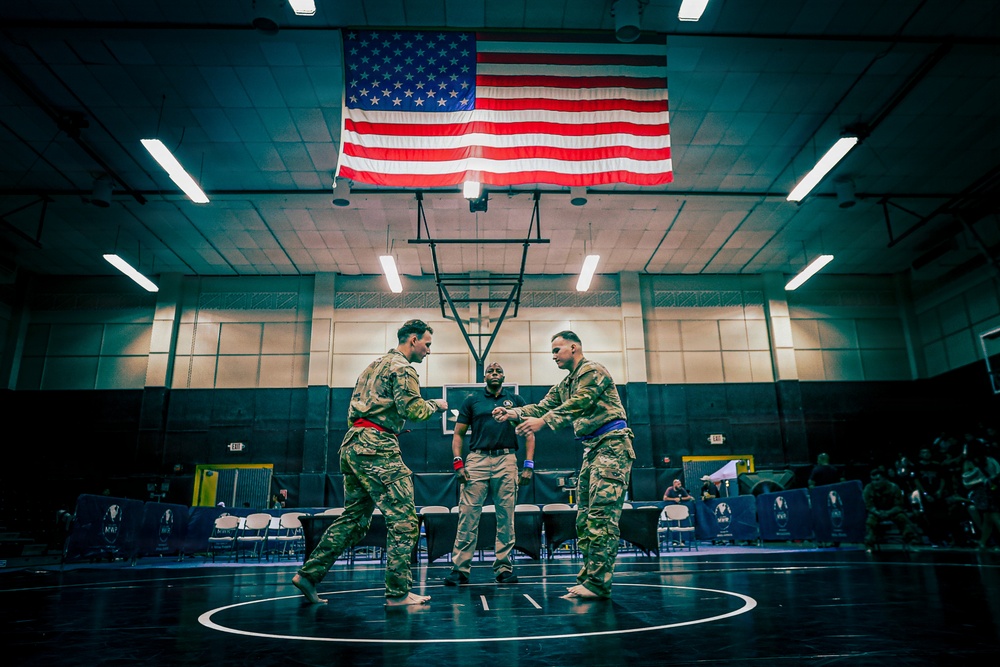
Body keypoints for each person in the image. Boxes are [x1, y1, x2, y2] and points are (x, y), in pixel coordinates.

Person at [292, 319, 447, 607]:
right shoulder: (403, 369)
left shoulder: (372, 366)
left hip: (352, 445)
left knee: (354, 521)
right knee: (404, 520)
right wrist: (437, 405)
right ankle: (398, 593)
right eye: (427, 344)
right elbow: (413, 410)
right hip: (377, 447)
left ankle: (309, 575)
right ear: (412, 340)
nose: (428, 351)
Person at [493, 330, 633, 600]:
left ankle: (598, 583)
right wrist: (513, 412)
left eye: (557, 350)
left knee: (601, 519)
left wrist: (544, 422)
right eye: (552, 351)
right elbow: (543, 405)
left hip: (612, 446)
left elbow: (581, 402)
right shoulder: (567, 382)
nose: (553, 355)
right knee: (585, 520)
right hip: (592, 449)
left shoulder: (592, 371)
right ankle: (590, 579)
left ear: (574, 348)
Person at [443, 362, 535, 586]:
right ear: (484, 377)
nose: (494, 373)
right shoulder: (472, 401)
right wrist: (458, 463)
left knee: (506, 515)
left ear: (504, 377)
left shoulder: (516, 401)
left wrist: (528, 465)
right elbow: (458, 434)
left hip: (507, 460)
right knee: (467, 514)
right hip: (476, 460)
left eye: (499, 371)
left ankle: (503, 567)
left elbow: (529, 433)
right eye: (491, 371)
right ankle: (460, 569)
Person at [862, 466, 919, 550]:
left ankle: (912, 542)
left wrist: (888, 512)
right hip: (877, 512)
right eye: (873, 480)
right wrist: (878, 512)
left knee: (903, 518)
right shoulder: (868, 488)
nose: (875, 482)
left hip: (893, 511)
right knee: (870, 522)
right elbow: (869, 505)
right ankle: (869, 545)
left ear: (884, 479)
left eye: (877, 480)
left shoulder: (894, 487)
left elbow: (899, 506)